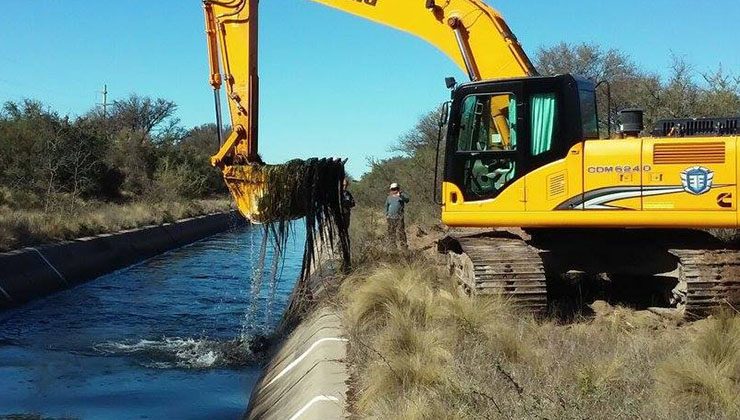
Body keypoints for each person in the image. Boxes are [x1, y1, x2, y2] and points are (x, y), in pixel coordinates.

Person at [385, 182, 410, 250]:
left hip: (399, 218)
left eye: (396, 189)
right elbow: (386, 206)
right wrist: (386, 214)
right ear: (391, 190)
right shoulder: (389, 197)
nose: (394, 190)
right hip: (390, 218)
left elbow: (407, 200)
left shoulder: (401, 196)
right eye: (393, 189)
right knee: (391, 233)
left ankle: (404, 247)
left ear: (398, 189)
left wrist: (401, 195)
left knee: (401, 232)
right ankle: (392, 247)